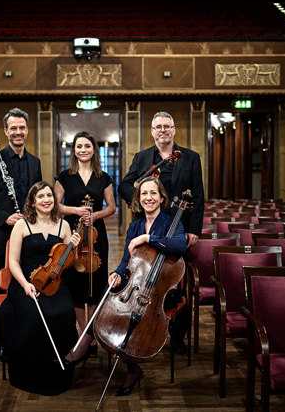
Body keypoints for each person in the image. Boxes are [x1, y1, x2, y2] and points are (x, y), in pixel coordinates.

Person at [65, 177, 187, 396]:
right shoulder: (135, 225)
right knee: (108, 291)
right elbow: (126, 262)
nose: (148, 198)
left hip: (162, 290)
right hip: (138, 285)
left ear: (161, 197)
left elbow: (180, 245)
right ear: (138, 199)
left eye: (152, 193)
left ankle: (122, 363)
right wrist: (117, 274)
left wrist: (147, 238)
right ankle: (94, 339)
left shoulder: (170, 222)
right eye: (143, 194)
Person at [117, 111, 204, 352]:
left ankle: (177, 336)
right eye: (158, 127)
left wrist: (195, 228)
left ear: (174, 130)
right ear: (152, 131)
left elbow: (198, 194)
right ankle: (144, 325)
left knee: (177, 283)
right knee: (144, 278)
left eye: (167, 126)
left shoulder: (190, 157)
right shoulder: (143, 158)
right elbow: (124, 185)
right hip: (148, 222)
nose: (163, 130)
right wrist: (137, 199)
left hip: (178, 226)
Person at [0, 181, 81, 395]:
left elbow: (68, 263)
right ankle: (30, 373)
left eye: (49, 196)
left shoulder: (64, 225)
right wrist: (25, 284)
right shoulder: (22, 225)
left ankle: (58, 371)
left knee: (64, 313)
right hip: (25, 282)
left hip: (53, 282)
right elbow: (13, 261)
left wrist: (74, 246)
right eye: (41, 197)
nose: (46, 200)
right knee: (33, 315)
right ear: (33, 202)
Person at [0, 107, 42, 361]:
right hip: (2, 237)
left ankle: (24, 337)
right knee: (0, 292)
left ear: (27, 130)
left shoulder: (35, 162)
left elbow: (39, 198)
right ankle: (1, 342)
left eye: (22, 127)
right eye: (13, 128)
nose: (18, 132)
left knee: (26, 289)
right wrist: (6, 216)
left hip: (29, 238)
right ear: (6, 131)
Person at [54, 132, 116, 352]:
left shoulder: (103, 177)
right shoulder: (64, 176)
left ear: (93, 149)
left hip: (96, 235)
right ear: (74, 150)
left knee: (97, 282)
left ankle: (93, 330)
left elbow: (111, 207)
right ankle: (84, 335)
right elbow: (55, 205)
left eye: (87, 146)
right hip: (73, 234)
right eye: (78, 146)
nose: (83, 150)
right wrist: (75, 210)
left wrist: (95, 215)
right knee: (76, 283)